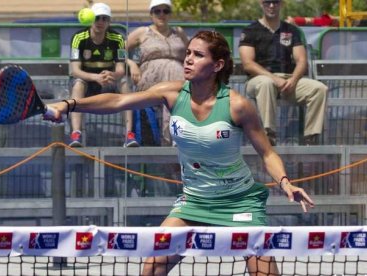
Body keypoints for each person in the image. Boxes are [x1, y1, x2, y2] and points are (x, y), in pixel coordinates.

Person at [45, 30, 314, 276]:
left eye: (198, 55)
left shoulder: (238, 106)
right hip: (194, 202)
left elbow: (267, 153)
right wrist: (69, 104)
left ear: (217, 65)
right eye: (188, 53)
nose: (188, 59)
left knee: (265, 273)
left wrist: (285, 183)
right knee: (152, 268)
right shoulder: (171, 94)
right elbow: (117, 100)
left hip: (239, 203)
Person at [239, 0, 328, 146]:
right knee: (266, 83)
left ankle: (311, 137)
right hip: (258, 79)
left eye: (275, 2)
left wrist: (293, 80)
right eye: (268, 2)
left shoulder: (292, 30)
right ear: (262, 4)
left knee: (319, 89)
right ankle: (269, 135)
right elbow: (248, 64)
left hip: (287, 79)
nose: (272, 6)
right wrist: (274, 79)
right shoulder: (250, 31)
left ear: (281, 4)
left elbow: (301, 61)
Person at [124, 0, 188, 146]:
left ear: (170, 14)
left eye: (165, 11)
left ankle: (175, 138)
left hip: (178, 79)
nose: (161, 14)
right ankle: (172, 138)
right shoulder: (143, 32)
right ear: (151, 14)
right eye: (157, 11)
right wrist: (131, 63)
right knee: (171, 94)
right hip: (152, 81)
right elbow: (119, 50)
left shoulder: (179, 32)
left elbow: (191, 52)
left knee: (178, 93)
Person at [68, 2, 125, 147]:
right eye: (97, 17)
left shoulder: (118, 38)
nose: (100, 22)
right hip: (86, 82)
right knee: (78, 84)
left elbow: (121, 69)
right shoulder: (78, 38)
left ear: (109, 21)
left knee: (125, 83)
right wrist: (95, 77)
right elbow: (75, 70)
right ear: (91, 19)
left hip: (107, 83)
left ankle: (130, 134)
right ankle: (76, 133)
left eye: (104, 18)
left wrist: (113, 75)